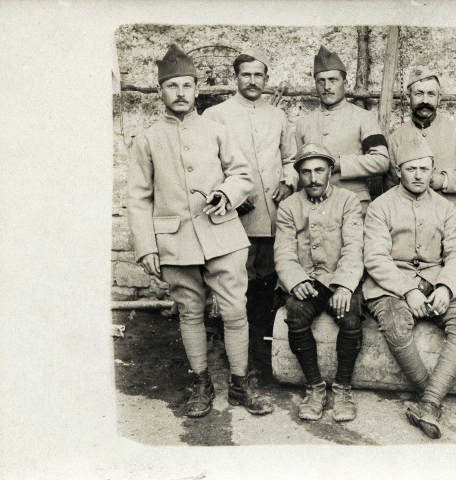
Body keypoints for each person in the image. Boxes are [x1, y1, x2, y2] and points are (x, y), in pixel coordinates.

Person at [127, 45, 273, 418]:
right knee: (190, 312)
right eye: (172, 85)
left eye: (187, 85)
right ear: (161, 90)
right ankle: (201, 383)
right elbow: (139, 198)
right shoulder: (147, 139)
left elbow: (242, 175)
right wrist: (147, 247)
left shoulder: (216, 130)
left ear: (197, 89)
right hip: (174, 241)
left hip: (223, 235)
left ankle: (240, 384)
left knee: (235, 310)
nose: (180, 92)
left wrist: (226, 192)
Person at [363, 133, 456, 439]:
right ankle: (432, 398)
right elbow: (375, 257)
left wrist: (447, 288)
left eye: (423, 169)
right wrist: (407, 289)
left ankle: (428, 403)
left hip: (437, 279)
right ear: (399, 171)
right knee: (396, 324)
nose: (417, 175)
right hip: (391, 284)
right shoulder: (380, 206)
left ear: (432, 170)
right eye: (410, 169)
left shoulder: (444, 207)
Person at [202, 48, 297, 372]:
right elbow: (207, 165)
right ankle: (234, 353)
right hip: (234, 218)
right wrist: (231, 196)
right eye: (246, 74)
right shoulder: (216, 115)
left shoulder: (277, 116)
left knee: (266, 284)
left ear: (266, 79)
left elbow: (291, 159)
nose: (253, 80)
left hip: (270, 215)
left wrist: (288, 180)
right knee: (234, 284)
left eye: (259, 75)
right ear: (236, 77)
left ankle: (259, 353)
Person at [274, 143, 364, 422]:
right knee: (296, 313)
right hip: (307, 280)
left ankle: (343, 388)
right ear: (298, 175)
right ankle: (314, 388)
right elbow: (284, 251)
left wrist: (345, 285)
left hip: (339, 278)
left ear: (330, 171)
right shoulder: (289, 206)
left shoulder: (348, 200)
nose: (313, 178)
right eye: (306, 172)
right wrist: (295, 280)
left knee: (350, 316)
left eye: (319, 170)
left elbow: (354, 246)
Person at [386, 66, 456, 234]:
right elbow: (392, 186)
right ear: (407, 97)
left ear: (440, 98)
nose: (425, 100)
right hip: (413, 224)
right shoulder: (397, 137)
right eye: (419, 94)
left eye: (431, 94)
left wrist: (444, 180)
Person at [295, 46, 389, 216]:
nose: (327, 86)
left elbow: (381, 161)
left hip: (354, 204)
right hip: (314, 208)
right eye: (321, 81)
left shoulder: (364, 118)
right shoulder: (303, 123)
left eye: (333, 80)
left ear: (344, 83)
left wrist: (340, 164)